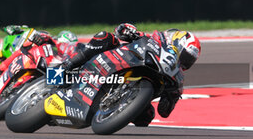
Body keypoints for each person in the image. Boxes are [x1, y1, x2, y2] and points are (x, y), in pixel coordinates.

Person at [61, 23, 201, 127]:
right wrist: (129, 31)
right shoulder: (153, 41)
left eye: (190, 60)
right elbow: (121, 30)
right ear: (177, 42)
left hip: (130, 90)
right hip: (111, 65)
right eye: (186, 55)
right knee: (106, 37)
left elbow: (164, 112)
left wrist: (171, 98)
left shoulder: (177, 79)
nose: (185, 61)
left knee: (147, 117)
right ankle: (67, 65)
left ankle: (108, 113)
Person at [0, 29, 82, 77]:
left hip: (52, 69)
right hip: (35, 59)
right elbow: (43, 36)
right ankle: (1, 68)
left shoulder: (73, 53)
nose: (65, 46)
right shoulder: (52, 40)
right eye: (64, 43)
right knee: (26, 47)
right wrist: (40, 38)